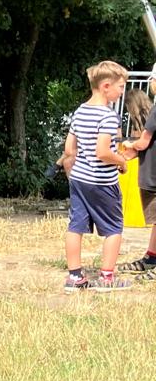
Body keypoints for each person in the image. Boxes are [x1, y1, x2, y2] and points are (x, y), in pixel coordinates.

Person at [59, 60, 132, 292]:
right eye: (121, 87)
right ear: (106, 86)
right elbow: (102, 152)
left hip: (79, 179)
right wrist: (121, 162)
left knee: (75, 226)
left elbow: (69, 149)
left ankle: (75, 277)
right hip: (102, 183)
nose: (122, 92)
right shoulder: (109, 116)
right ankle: (106, 279)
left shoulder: (80, 111)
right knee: (114, 228)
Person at [121, 77, 156, 274]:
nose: (151, 83)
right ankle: (151, 257)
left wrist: (129, 144)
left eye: (153, 79)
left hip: (152, 176)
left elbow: (143, 143)